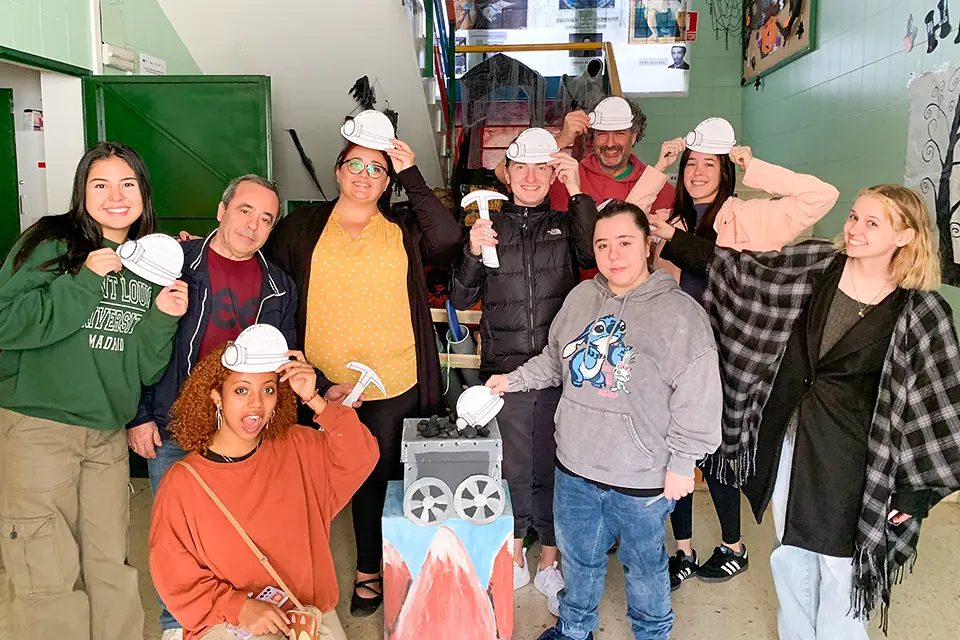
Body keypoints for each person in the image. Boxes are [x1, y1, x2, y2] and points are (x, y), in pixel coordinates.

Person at [654, 185, 960, 638]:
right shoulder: (818, 265)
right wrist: (672, 240)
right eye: (854, 217)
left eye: (871, 223)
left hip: (856, 455)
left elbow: (938, 402)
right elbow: (742, 272)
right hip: (791, 439)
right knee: (790, 552)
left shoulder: (920, 310)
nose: (854, 228)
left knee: (841, 565)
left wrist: (915, 493)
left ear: (905, 236)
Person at [486, 201, 722, 640]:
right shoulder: (581, 298)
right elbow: (555, 362)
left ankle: (653, 634)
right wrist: (510, 381)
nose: (614, 255)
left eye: (625, 242)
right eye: (603, 245)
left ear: (648, 245)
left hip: (641, 476)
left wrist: (682, 462)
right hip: (575, 467)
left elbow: (700, 396)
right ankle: (575, 628)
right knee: (579, 558)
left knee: (645, 566)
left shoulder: (680, 314)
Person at [626, 118, 839, 590]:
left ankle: (733, 547)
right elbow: (621, 222)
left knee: (720, 449)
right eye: (690, 164)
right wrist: (658, 169)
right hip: (675, 350)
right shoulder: (669, 221)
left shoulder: (750, 214)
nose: (698, 172)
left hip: (730, 352)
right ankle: (682, 549)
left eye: (710, 164)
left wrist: (754, 165)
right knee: (675, 447)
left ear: (725, 171)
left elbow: (821, 196)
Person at [264, 110, 461, 616]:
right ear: (338, 169)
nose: (365, 176)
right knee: (306, 480)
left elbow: (448, 239)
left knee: (377, 477)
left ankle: (369, 570)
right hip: (316, 382)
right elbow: (268, 279)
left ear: (389, 178)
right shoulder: (303, 225)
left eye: (378, 169)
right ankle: (295, 574)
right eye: (356, 165)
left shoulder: (401, 229)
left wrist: (413, 172)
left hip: (391, 380)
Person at [0, 142, 188, 640]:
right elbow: (5, 323)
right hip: (40, 426)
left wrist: (165, 318)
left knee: (111, 566)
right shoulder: (50, 242)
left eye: (127, 184)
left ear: (143, 195)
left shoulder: (149, 263)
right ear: (82, 193)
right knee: (46, 568)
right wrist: (83, 280)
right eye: (99, 184)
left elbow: (145, 366)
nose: (115, 196)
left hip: (105, 433)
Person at [125, 174, 295, 639]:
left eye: (266, 218)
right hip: (174, 423)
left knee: (238, 532)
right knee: (176, 539)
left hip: (242, 432)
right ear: (221, 211)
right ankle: (174, 626)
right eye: (244, 211)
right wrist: (139, 415)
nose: (253, 225)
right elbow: (137, 340)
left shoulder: (278, 286)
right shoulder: (177, 263)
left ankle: (233, 622)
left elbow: (281, 362)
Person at [449, 128, 598, 616]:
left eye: (542, 169)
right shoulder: (487, 226)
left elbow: (591, 256)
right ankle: (513, 552)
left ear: (551, 174)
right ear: (507, 174)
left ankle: (550, 560)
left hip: (560, 367)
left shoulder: (563, 221)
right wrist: (472, 251)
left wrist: (578, 192)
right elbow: (459, 298)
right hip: (505, 368)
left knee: (557, 465)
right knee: (512, 466)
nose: (531, 178)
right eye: (522, 169)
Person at [149, 326, 378, 640]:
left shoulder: (296, 447)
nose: (256, 404)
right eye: (241, 390)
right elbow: (174, 574)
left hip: (305, 615)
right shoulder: (184, 483)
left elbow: (360, 456)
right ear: (216, 396)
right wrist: (238, 607)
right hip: (229, 623)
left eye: (268, 390)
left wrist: (315, 400)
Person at [497, 96, 675, 218]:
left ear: (634, 136)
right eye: (603, 134)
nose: (610, 143)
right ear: (593, 136)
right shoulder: (564, 175)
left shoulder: (657, 186)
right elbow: (501, 172)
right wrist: (560, 140)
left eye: (619, 133)